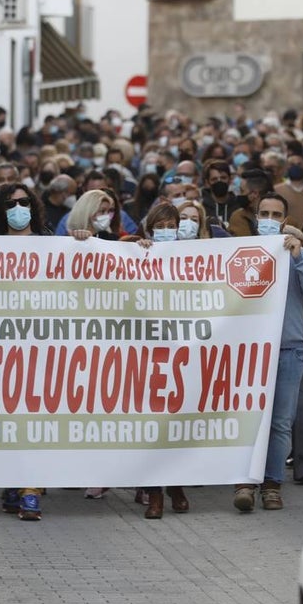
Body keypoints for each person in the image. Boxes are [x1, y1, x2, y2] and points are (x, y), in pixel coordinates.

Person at [233, 193, 303, 512]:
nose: (269, 218)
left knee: (281, 421)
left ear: (284, 221)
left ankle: (271, 483)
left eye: (276, 214)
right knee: (247, 417)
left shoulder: (296, 253)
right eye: (264, 213)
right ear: (256, 217)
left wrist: (300, 257)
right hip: (249, 350)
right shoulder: (239, 251)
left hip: (288, 348)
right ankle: (245, 481)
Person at [127, 203, 191, 519]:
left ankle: (176, 485)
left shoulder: (194, 256)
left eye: (172, 223)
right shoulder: (140, 250)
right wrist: (136, 248)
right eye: (160, 224)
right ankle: (155, 494)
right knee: (151, 424)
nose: (166, 229)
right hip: (147, 352)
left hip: (182, 352)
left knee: (177, 421)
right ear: (150, 228)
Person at [0, 182, 49, 521]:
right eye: (11, 203)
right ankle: (13, 480)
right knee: (11, 417)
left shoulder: (51, 244)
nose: (18, 207)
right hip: (4, 346)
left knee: (40, 417)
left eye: (24, 201)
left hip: (44, 345)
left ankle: (32, 489)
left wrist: (83, 240)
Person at [274, 153, 303, 230]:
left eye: (299, 164)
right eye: (292, 164)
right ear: (286, 167)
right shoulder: (276, 190)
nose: (296, 167)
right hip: (285, 235)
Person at [228, 169, 271, 238]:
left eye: (242, 191)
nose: (239, 194)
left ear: (255, 194)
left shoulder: (281, 218)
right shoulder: (238, 217)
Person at [200, 159, 235, 228]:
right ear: (207, 182)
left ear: (230, 179)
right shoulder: (201, 208)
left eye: (223, 178)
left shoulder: (238, 206)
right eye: (214, 179)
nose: (219, 182)